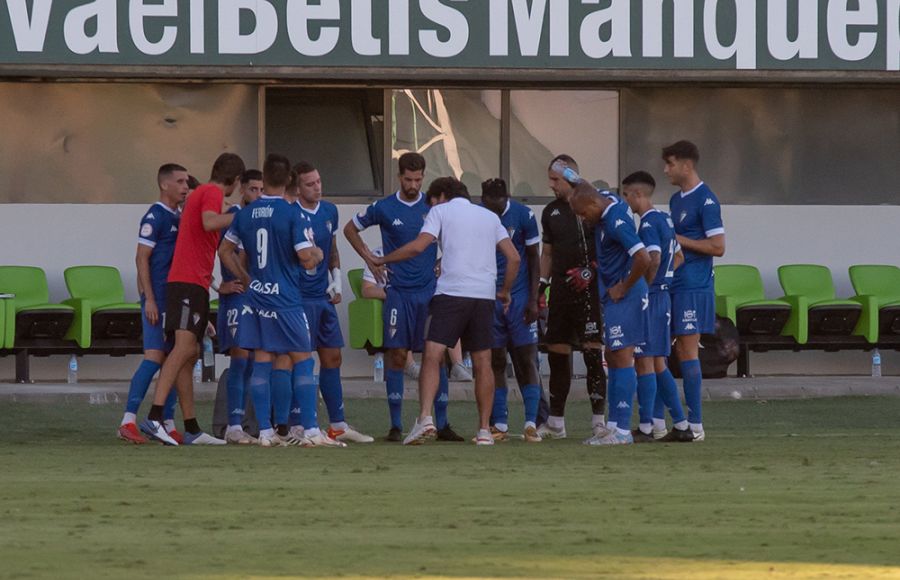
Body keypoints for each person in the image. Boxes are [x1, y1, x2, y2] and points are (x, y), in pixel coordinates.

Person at [372, 176, 520, 445]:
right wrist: (505, 291)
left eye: (432, 202)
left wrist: (383, 258)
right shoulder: (489, 217)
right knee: (482, 362)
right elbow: (514, 257)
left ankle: (425, 419)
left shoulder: (440, 211)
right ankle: (485, 430)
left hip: (451, 293)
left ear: (441, 196)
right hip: (484, 297)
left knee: (432, 354)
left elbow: (419, 246)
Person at [219, 154, 343, 448]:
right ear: (290, 181)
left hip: (256, 297)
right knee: (303, 359)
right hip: (286, 298)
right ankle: (311, 430)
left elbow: (225, 251)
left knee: (262, 358)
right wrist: (318, 254)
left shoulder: (245, 213)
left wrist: (246, 279)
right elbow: (303, 255)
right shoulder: (291, 214)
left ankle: (265, 432)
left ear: (263, 177)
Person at [344, 153, 461, 442]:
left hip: (429, 292)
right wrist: (370, 259)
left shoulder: (433, 206)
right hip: (397, 294)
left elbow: (458, 237)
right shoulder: (384, 207)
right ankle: (395, 425)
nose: (413, 184)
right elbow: (349, 228)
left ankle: (442, 424)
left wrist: (445, 261)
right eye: (408, 179)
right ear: (399, 177)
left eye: (418, 179)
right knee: (396, 355)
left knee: (438, 354)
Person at [139, 153, 245, 446]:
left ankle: (192, 428)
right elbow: (210, 222)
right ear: (235, 180)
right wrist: (242, 215)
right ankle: (155, 416)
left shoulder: (200, 194)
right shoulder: (210, 191)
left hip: (193, 284)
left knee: (190, 355)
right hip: (186, 284)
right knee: (183, 348)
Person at [292, 161, 373, 444]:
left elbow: (333, 248)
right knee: (299, 361)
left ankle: (337, 424)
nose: (317, 187)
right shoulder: (291, 213)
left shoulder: (329, 210)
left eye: (318, 181)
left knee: (332, 357)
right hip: (298, 298)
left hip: (322, 297)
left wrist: (335, 277)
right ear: (297, 187)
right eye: (310, 184)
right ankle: (297, 424)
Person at [570, 181, 651, 446]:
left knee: (622, 356)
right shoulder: (605, 200)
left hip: (625, 294)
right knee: (612, 355)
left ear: (593, 206)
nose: (583, 221)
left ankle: (623, 430)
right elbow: (585, 186)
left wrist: (624, 287)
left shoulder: (616, 223)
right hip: (614, 295)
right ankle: (614, 426)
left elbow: (643, 257)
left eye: (583, 214)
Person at [117, 164, 188, 444]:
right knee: (155, 357)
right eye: (180, 181)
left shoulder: (179, 217)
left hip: (174, 298)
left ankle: (166, 422)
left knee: (174, 358)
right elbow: (141, 258)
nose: (185, 186)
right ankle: (128, 420)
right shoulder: (155, 216)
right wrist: (149, 299)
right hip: (157, 299)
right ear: (165, 185)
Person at [620, 171, 693, 443]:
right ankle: (681, 424)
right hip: (664, 298)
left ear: (637, 194)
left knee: (645, 362)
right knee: (658, 362)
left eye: (626, 195)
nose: (625, 201)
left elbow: (653, 258)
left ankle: (649, 427)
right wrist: (664, 279)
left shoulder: (648, 224)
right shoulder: (665, 218)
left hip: (652, 298)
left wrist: (645, 287)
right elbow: (680, 257)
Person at [537, 155, 607, 439]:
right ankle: (556, 422)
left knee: (592, 353)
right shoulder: (550, 211)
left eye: (556, 180)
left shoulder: (594, 205)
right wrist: (541, 287)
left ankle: (599, 421)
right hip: (562, 293)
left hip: (589, 291)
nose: (551, 185)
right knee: (557, 353)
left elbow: (608, 247)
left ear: (570, 177)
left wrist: (592, 271)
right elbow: (548, 253)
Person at [663, 141, 726, 442]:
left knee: (687, 350)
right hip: (675, 282)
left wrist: (678, 238)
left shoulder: (707, 200)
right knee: (670, 350)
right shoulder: (676, 201)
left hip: (695, 286)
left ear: (686, 165)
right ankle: (666, 422)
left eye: (670, 163)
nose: (666, 170)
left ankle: (696, 425)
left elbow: (718, 247)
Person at [480, 178, 546, 443]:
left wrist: (533, 299)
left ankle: (531, 422)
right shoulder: (479, 215)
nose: (492, 209)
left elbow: (533, 257)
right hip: (488, 296)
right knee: (495, 360)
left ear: (505, 198)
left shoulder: (523, 215)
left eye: (496, 204)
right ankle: (501, 424)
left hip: (519, 298)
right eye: (487, 203)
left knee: (527, 358)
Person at [217, 169, 262, 444]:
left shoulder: (263, 217)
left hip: (260, 295)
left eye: (261, 189)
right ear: (242, 189)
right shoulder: (231, 217)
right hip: (236, 295)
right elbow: (209, 249)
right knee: (240, 357)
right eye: (253, 189)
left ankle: (254, 424)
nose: (257, 195)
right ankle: (233, 424)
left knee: (257, 360)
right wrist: (216, 284)